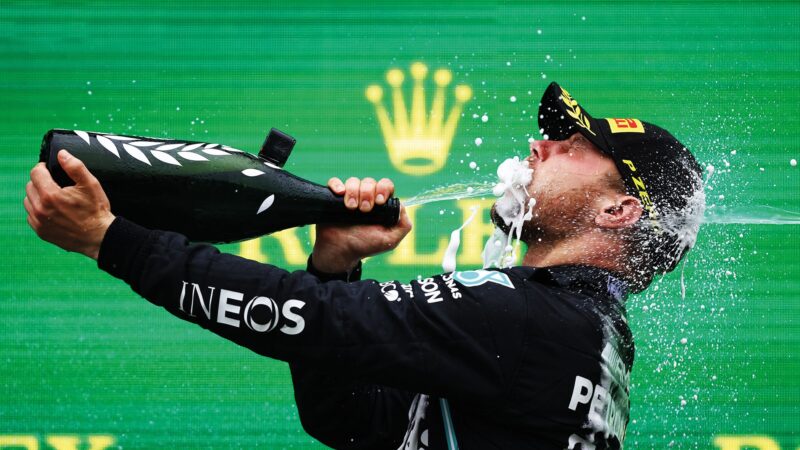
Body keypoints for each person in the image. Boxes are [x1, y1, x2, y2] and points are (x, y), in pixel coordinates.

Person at [24, 82, 704, 450]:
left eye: (573, 145)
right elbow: (350, 419)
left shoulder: (530, 318)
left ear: (620, 211)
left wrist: (112, 241)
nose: (541, 144)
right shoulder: (582, 330)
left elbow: (311, 322)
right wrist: (334, 262)